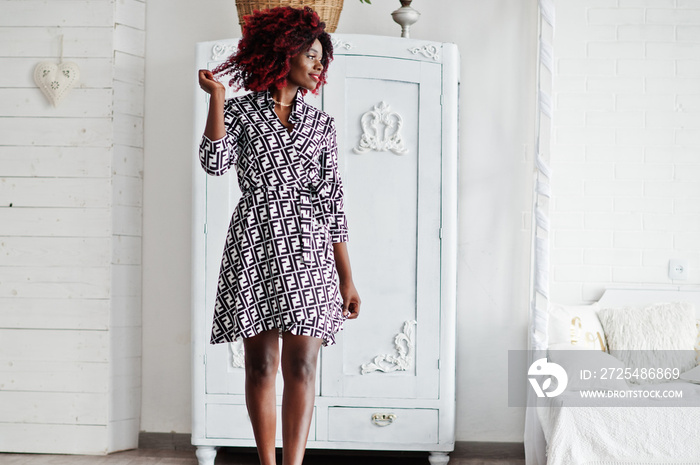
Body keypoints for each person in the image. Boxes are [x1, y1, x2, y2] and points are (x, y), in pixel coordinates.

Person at [197, 6, 361, 465]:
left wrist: (346, 279)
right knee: (261, 365)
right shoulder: (241, 110)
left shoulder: (322, 126)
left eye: (321, 59)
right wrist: (216, 98)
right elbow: (214, 164)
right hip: (255, 242)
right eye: (310, 55)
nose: (317, 66)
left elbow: (334, 206)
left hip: (309, 249)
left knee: (302, 365)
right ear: (283, 54)